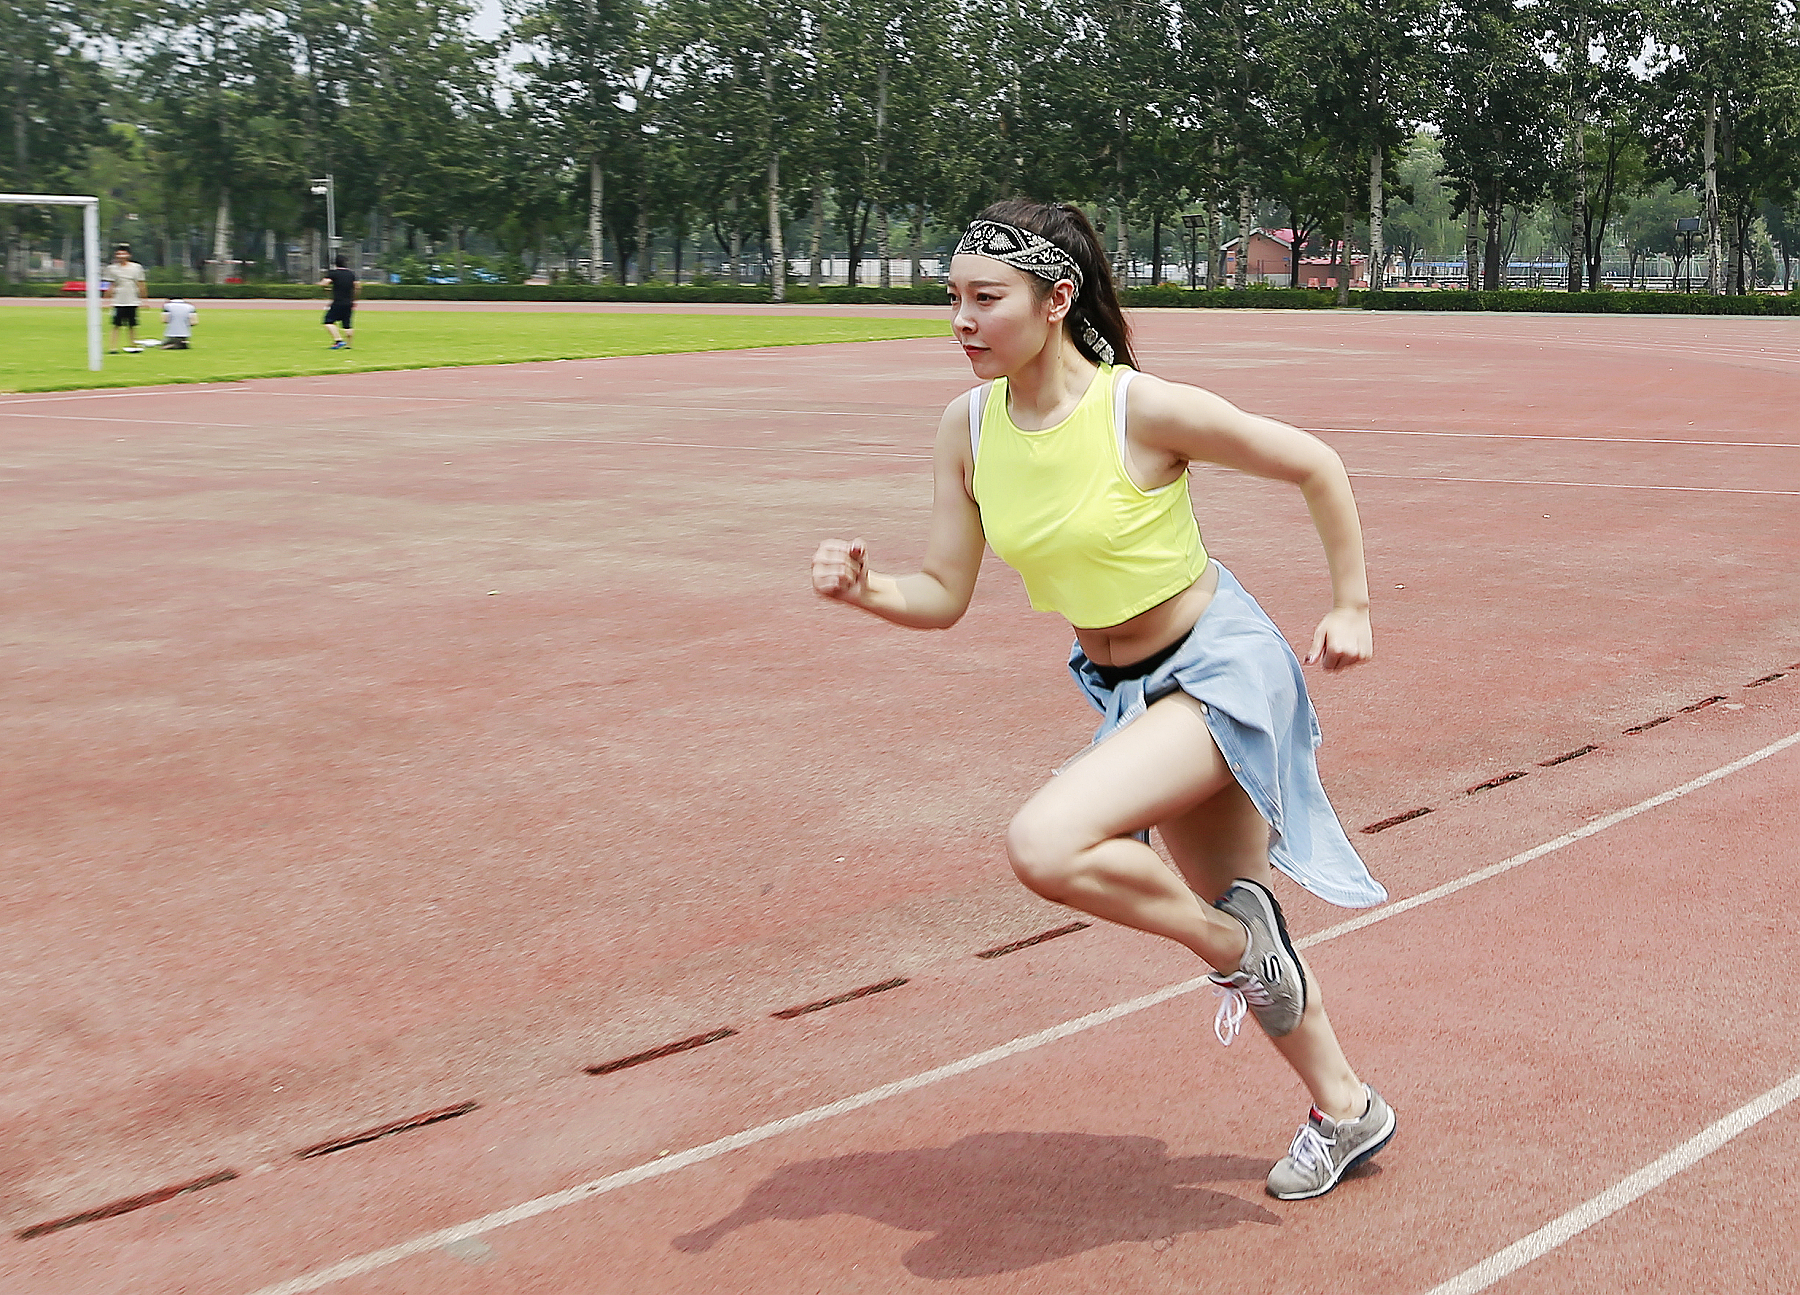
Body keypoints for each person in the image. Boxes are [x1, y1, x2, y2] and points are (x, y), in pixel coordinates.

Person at [810, 200, 1396, 1201]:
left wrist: (1351, 603)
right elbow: (944, 592)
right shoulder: (969, 427)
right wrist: (869, 591)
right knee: (1229, 905)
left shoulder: (1138, 409)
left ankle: (1230, 947)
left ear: (1056, 299)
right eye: (950, 298)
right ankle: (1346, 1107)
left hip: (1220, 668)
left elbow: (1314, 462)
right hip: (1131, 691)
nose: (960, 318)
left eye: (984, 298)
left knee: (1047, 842)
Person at [105, 245, 148, 353]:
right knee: (116, 325)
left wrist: (144, 300)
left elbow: (141, 284)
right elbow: (111, 285)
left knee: (132, 325)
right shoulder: (112, 268)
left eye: (123, 253)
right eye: (119, 254)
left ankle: (133, 345)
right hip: (119, 300)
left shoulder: (136, 267)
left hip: (132, 300)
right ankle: (113, 347)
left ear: (129, 255)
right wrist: (106, 300)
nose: (121, 256)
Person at [319, 255, 358, 348]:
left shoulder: (334, 273)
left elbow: (324, 283)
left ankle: (338, 340)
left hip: (338, 302)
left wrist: (325, 287)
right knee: (347, 324)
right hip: (349, 302)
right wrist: (354, 298)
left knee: (328, 321)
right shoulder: (351, 274)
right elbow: (357, 286)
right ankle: (349, 345)